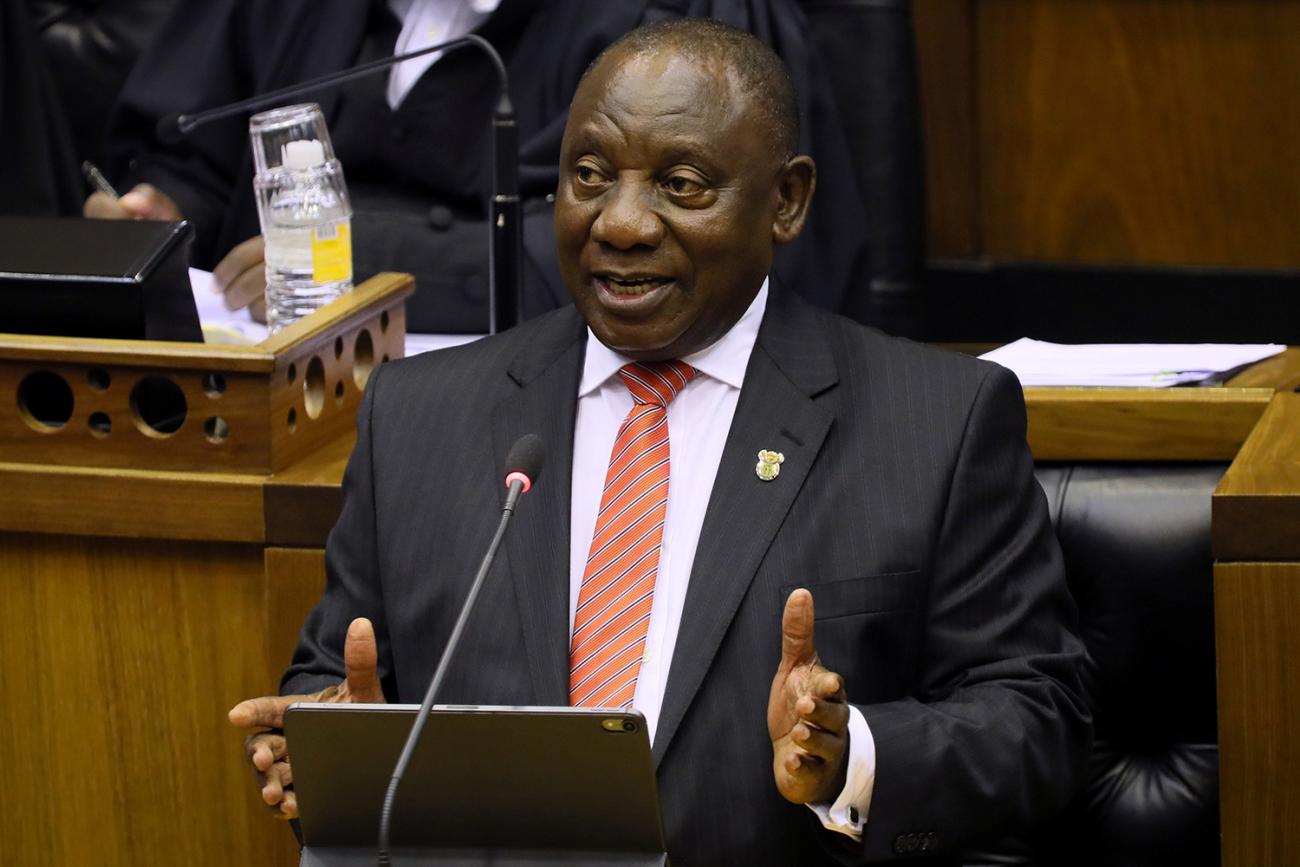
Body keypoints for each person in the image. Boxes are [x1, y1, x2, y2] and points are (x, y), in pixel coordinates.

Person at [230, 19, 1090, 864]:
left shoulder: (936, 420)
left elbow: (1038, 722)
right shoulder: (418, 415)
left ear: (786, 201)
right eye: (589, 175)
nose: (621, 223)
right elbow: (334, 678)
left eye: (681, 184)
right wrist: (337, 742)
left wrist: (849, 751)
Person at [82, 0, 869, 334]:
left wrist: (367, 267)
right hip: (269, 386)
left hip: (537, 409)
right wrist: (161, 208)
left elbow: (669, 248)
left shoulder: (677, 26)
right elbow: (199, 150)